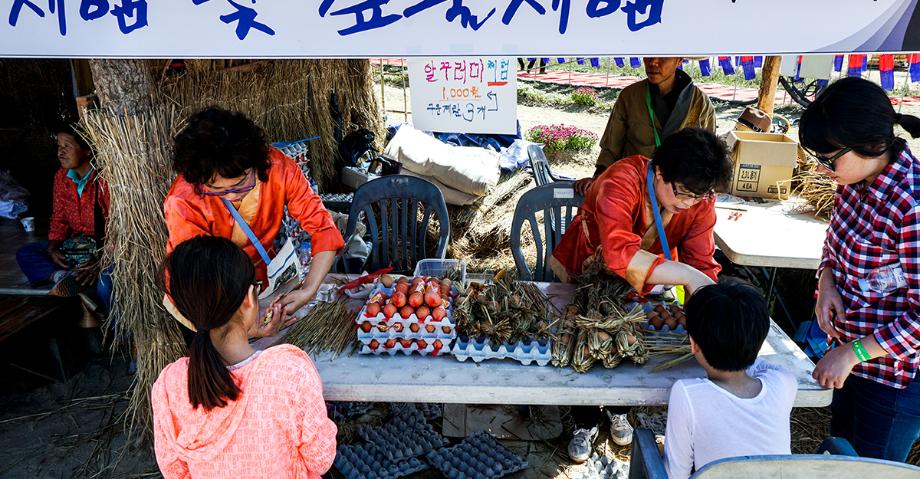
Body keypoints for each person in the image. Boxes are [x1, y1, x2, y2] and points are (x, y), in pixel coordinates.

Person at [556, 127, 733, 462]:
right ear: (659, 171)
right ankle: (585, 418)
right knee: (586, 337)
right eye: (682, 193)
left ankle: (620, 409)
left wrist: (703, 308)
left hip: (644, 276)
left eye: (697, 196)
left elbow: (701, 262)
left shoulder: (698, 198)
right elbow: (618, 253)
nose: (687, 203)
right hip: (591, 265)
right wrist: (686, 275)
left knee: (627, 339)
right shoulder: (621, 179)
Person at [801, 77, 920, 462]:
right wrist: (827, 281)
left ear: (870, 144)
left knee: (871, 468)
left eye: (828, 159)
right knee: (842, 460)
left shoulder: (910, 206)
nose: (822, 169)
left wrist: (854, 352)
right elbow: (833, 246)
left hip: (893, 380)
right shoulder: (852, 183)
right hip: (850, 361)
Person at [152, 236, 337, 478]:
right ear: (249, 299)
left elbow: (175, 471)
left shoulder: (170, 385)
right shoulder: (287, 372)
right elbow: (320, 459)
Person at [163, 107, 344, 331]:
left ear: (256, 164)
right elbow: (197, 282)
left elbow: (324, 230)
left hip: (256, 288)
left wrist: (309, 289)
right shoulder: (184, 200)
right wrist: (246, 328)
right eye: (217, 190)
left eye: (240, 184)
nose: (231, 196)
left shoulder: (278, 168)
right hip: (204, 299)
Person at [664, 279, 796, 478]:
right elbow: (769, 367)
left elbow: (675, 474)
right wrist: (744, 349)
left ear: (693, 344)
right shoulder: (783, 384)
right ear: (759, 344)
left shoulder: (687, 394)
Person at [574, 57, 716, 196]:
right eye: (648, 55)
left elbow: (709, 155)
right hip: (632, 189)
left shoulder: (699, 103)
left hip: (678, 195)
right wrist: (598, 177)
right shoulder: (630, 96)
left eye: (663, 57)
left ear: (679, 60)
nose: (653, 62)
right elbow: (612, 146)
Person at [15, 124, 112, 313]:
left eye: (67, 146)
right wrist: (53, 248)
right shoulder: (62, 177)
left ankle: (117, 334)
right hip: (76, 247)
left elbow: (120, 230)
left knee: (105, 286)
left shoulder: (105, 180)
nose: (60, 152)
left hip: (105, 251)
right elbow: (59, 218)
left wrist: (101, 261)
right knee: (26, 253)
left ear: (87, 149)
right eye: (59, 146)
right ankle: (64, 276)